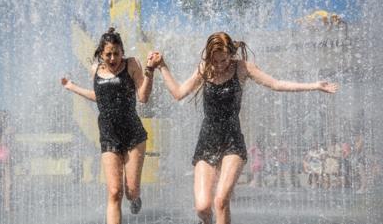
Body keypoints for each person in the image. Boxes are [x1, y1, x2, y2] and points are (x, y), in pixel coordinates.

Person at [148, 32, 338, 224]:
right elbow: (179, 93)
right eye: (215, 61)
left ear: (231, 54)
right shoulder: (205, 69)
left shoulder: (242, 68)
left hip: (233, 142)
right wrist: (162, 66)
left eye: (223, 60)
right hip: (207, 141)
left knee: (221, 201)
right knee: (203, 207)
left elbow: (276, 84)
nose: (220, 65)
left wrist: (314, 85)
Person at [61, 27, 154, 224]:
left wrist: (150, 72)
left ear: (122, 51)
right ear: (101, 54)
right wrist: (72, 87)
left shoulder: (131, 64)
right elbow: (100, 98)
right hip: (108, 135)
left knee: (130, 191)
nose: (113, 59)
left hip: (133, 135)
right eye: (108, 54)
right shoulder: (95, 70)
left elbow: (143, 97)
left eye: (116, 53)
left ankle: (135, 197)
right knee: (114, 191)